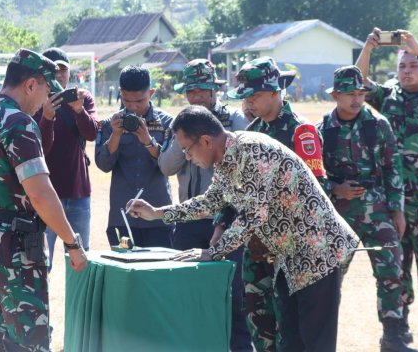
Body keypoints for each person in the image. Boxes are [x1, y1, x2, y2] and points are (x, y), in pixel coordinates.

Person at [127, 105, 359, 352]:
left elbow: (252, 215)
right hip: (291, 259)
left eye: (186, 149)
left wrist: (213, 252)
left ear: (205, 141)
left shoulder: (253, 150)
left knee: (316, 344)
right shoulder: (227, 159)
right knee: (291, 342)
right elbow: (209, 202)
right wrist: (157, 213)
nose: (186, 156)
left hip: (318, 252)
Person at [0, 48, 88, 350]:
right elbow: (40, 193)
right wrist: (72, 243)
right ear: (31, 85)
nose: (48, 100)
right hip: (15, 248)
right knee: (29, 342)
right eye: (48, 90)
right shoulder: (19, 123)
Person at [357, 28, 418, 351]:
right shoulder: (386, 97)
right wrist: (368, 49)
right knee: (394, 263)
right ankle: (400, 327)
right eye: (403, 66)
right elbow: (357, 83)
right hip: (390, 199)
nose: (408, 71)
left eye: (414, 65)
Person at [225, 56, 328, 352]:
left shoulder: (300, 132)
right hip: (255, 251)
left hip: (292, 252)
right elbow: (232, 188)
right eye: (244, 97)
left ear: (275, 92)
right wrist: (223, 223)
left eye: (254, 96)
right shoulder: (248, 135)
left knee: (290, 329)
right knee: (260, 323)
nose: (248, 103)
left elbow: (313, 195)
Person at [317, 66, 416, 352]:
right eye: (349, 93)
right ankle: (322, 341)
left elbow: (392, 167)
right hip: (338, 215)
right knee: (329, 279)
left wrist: (397, 210)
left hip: (377, 211)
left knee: (391, 271)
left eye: (360, 93)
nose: (356, 99)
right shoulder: (321, 130)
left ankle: (392, 338)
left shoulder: (378, 124)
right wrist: (336, 189)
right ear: (335, 95)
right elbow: (314, 175)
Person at [159, 58, 252, 351]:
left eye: (202, 90)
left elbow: (242, 191)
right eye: (191, 91)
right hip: (190, 220)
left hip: (228, 222)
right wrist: (184, 140)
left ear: (215, 90)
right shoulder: (182, 125)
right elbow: (166, 166)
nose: (197, 97)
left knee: (234, 295)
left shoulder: (235, 125)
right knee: (185, 292)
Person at [95, 65, 174, 248]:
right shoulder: (109, 124)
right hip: (122, 217)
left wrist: (147, 140)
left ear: (151, 93)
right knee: (124, 275)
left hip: (158, 217)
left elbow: (168, 166)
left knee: (159, 273)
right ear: (121, 93)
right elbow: (103, 165)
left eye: (140, 101)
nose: (133, 107)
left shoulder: (167, 123)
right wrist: (115, 135)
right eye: (127, 101)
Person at [34, 47, 99, 268]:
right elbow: (39, 147)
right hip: (46, 196)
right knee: (43, 264)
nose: (59, 75)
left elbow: (92, 134)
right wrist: (46, 117)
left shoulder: (82, 97)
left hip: (78, 194)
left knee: (81, 261)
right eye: (53, 72)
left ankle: (80, 304)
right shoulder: (35, 102)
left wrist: (79, 111)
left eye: (63, 70)